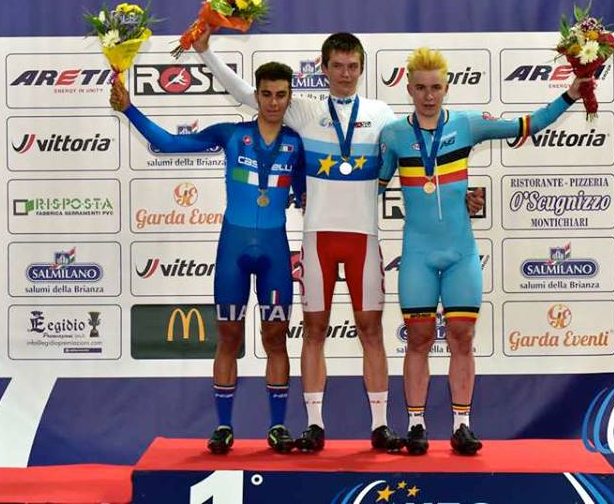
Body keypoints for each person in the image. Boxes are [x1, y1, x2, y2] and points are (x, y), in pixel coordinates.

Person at [193, 28, 431, 452]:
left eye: (352, 66)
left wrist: (456, 192)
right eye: (337, 66)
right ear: (323, 69)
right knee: (314, 331)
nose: (345, 74)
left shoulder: (381, 113)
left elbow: (416, 152)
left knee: (371, 330)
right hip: (318, 237)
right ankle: (315, 424)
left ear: (362, 68)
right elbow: (247, 93)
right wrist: (206, 53)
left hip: (363, 238)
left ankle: (380, 425)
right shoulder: (303, 109)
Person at [377, 47, 589, 455]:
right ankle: (416, 424)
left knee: (462, 337)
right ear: (409, 89)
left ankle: (462, 425)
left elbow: (527, 124)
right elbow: (373, 186)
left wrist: (570, 95)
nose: (428, 96)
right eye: (420, 88)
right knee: (418, 338)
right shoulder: (394, 134)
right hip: (418, 254)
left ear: (447, 88)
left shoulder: (467, 124)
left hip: (461, 252)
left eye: (435, 87)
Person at [109, 62, 306, 454]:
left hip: (275, 253)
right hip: (234, 250)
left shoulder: (298, 143)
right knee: (228, 337)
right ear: (256, 95)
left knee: (276, 338)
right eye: (266, 94)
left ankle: (278, 427)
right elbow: (169, 144)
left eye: (281, 95)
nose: (273, 102)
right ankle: (223, 428)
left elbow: (310, 194)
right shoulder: (231, 134)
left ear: (290, 97)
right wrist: (129, 108)